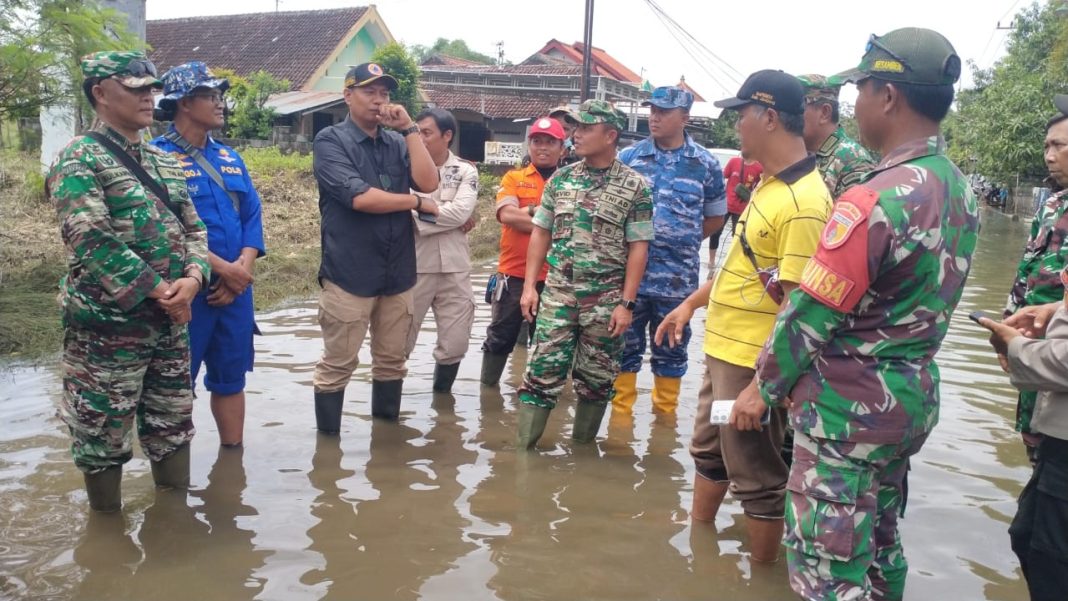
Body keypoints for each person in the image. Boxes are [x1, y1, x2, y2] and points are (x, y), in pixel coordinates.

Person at [739, 29, 977, 599]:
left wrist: (761, 389)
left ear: (888, 97)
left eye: (862, 89)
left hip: (847, 416)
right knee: (880, 550)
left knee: (827, 570)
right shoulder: (957, 188)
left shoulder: (873, 198)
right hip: (907, 403)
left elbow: (811, 313)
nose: (855, 105)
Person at [655, 69, 832, 563]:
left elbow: (801, 307)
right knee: (711, 451)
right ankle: (700, 551)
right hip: (722, 351)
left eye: (741, 115)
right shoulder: (771, 187)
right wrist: (690, 304)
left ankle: (761, 579)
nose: (736, 127)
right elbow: (742, 269)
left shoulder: (803, 201)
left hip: (751, 363)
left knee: (756, 473)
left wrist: (763, 386)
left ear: (769, 117)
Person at [46, 51, 210, 511]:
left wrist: (194, 280)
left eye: (151, 87)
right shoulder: (79, 158)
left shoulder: (164, 161)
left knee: (173, 423)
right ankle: (106, 536)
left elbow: (194, 230)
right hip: (107, 332)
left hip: (169, 328)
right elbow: (91, 239)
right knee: (101, 435)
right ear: (100, 93)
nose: (148, 96)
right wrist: (163, 293)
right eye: (135, 87)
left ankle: (173, 525)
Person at [515, 100, 653, 449]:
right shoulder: (561, 180)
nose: (576, 134)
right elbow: (541, 232)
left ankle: (582, 456)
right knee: (541, 374)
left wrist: (627, 304)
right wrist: (530, 287)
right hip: (558, 297)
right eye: (575, 127)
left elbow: (638, 246)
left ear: (610, 135)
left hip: (605, 302)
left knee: (596, 380)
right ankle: (523, 455)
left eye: (585, 128)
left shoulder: (636, 186)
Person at [311, 62, 440, 432]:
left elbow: (428, 182)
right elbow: (360, 198)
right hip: (348, 273)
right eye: (369, 91)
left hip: (397, 272)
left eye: (384, 92)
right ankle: (328, 452)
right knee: (337, 366)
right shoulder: (330, 141)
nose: (379, 100)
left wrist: (411, 129)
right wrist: (413, 203)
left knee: (391, 362)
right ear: (348, 95)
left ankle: (386, 447)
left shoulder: (397, 142)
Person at [152, 61, 265, 448]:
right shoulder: (155, 158)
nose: (220, 103)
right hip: (189, 292)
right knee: (176, 382)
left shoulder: (231, 158)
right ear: (183, 102)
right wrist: (219, 270)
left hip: (236, 293)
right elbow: (164, 228)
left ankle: (232, 464)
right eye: (210, 96)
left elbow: (251, 214)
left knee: (231, 378)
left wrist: (242, 271)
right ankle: (173, 472)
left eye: (221, 96)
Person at [611, 86, 726, 418]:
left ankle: (663, 437)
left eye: (663, 111)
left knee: (672, 356)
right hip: (631, 282)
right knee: (623, 352)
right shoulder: (630, 159)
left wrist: (683, 240)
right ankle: (619, 436)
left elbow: (715, 217)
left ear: (685, 118)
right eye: (652, 110)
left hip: (677, 285)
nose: (654, 117)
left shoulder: (704, 164)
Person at [981, 266, 1068, 601]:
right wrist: (1055, 311)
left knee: (1053, 564)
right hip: (1056, 437)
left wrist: (1018, 349)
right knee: (1028, 537)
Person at [480, 117, 566, 386]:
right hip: (513, 274)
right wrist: (549, 223)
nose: (542, 147)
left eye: (550, 142)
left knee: (552, 344)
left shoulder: (570, 182)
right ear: (529, 145)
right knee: (499, 337)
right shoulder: (513, 178)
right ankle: (489, 398)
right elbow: (507, 215)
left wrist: (526, 213)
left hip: (557, 278)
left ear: (562, 148)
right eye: (537, 141)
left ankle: (542, 397)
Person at [1005, 100, 1068, 462]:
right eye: (1046, 145)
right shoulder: (1052, 207)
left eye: (1058, 145)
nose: (1049, 155)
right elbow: (1026, 269)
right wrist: (1006, 324)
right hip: (1030, 347)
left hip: (1060, 351)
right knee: (1033, 439)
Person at [403, 107, 479, 393]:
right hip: (414, 267)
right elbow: (401, 209)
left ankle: (442, 406)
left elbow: (461, 213)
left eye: (426, 132)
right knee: (398, 343)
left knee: (456, 342)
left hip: (456, 269)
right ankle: (387, 413)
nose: (419, 138)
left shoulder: (465, 171)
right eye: (415, 132)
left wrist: (416, 210)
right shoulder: (403, 170)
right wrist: (447, 217)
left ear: (447, 136)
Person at [797, 73, 877, 199]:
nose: (790, 115)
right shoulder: (799, 154)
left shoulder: (852, 160)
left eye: (798, 108)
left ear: (824, 113)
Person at [708, 155, 762, 269]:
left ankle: (730, 264)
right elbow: (721, 177)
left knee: (737, 236)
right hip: (726, 205)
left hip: (742, 208)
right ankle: (711, 261)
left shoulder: (759, 168)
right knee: (715, 232)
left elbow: (761, 186)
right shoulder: (734, 161)